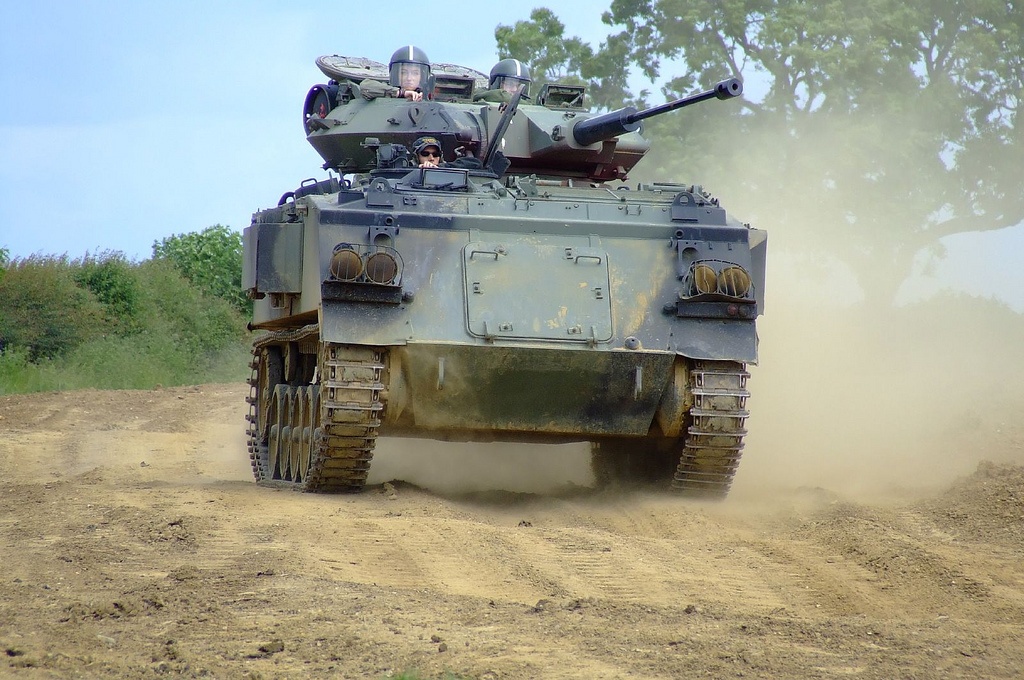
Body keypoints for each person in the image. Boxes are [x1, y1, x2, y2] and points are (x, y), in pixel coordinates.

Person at [360, 45, 431, 102]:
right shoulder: (385, 89)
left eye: (415, 73)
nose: (409, 78)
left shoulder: (428, 96)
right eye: (403, 73)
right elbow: (365, 86)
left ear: (422, 76)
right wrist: (399, 93)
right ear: (396, 74)